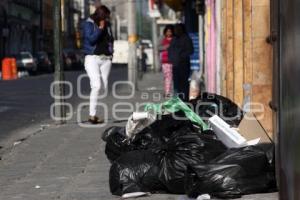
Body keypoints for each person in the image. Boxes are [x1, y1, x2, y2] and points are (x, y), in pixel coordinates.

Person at [83, 5, 114, 124]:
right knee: (96, 85)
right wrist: (100, 29)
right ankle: (92, 115)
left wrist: (112, 53)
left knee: (103, 88)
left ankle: (96, 112)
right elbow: (91, 39)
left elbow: (111, 39)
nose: (107, 18)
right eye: (106, 16)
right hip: (92, 58)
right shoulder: (89, 24)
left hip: (106, 59)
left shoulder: (108, 24)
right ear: (101, 14)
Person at [168, 23, 193, 101]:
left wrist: (181, 57)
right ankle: (177, 101)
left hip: (184, 65)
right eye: (175, 29)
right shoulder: (174, 39)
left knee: (184, 84)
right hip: (175, 65)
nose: (176, 31)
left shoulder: (186, 39)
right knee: (176, 85)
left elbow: (190, 51)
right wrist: (171, 58)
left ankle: (184, 101)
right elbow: (170, 50)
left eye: (178, 29)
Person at [159, 25, 174, 98]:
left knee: (170, 77)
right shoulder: (163, 39)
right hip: (165, 61)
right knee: (167, 77)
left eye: (170, 31)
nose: (169, 33)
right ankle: (167, 92)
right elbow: (158, 47)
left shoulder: (175, 39)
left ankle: (168, 91)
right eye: (167, 31)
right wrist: (165, 47)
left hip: (173, 61)